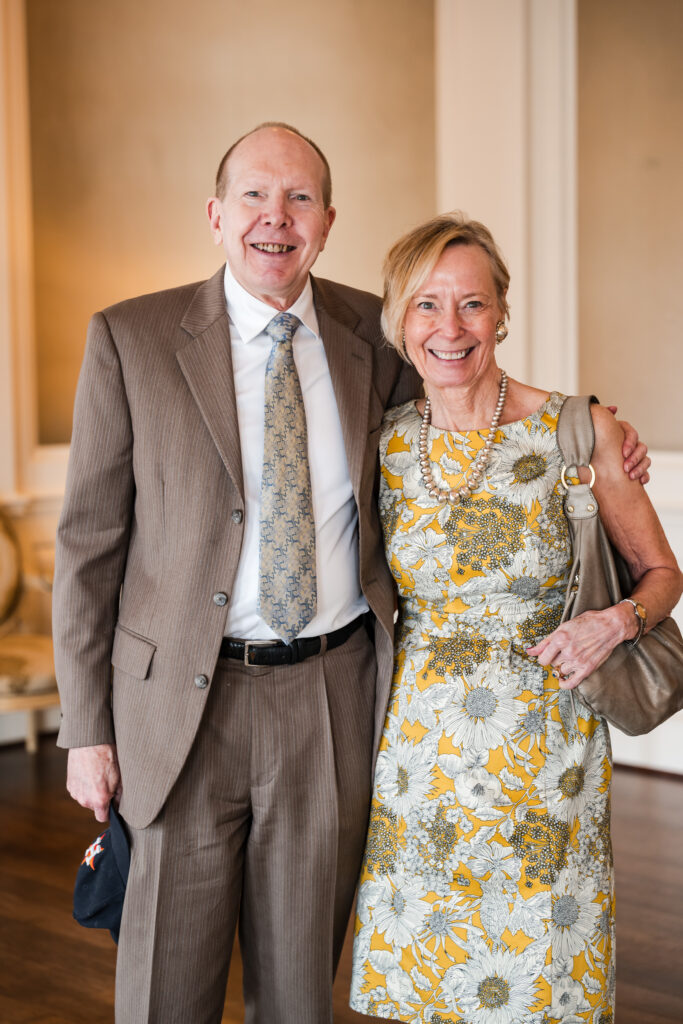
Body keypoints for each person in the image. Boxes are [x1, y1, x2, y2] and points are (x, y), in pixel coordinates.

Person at [52, 124, 648, 1024]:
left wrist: (600, 427)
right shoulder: (130, 339)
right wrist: (86, 729)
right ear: (216, 215)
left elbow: (473, 395)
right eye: (254, 196)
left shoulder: (375, 336)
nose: (275, 219)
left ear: (327, 221)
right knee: (164, 987)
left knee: (299, 989)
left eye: (298, 199)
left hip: (331, 696)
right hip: (176, 705)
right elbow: (87, 547)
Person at [349, 212, 682, 1023]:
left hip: (546, 756)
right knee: (427, 976)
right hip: (415, 758)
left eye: (471, 304)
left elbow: (661, 573)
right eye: (427, 305)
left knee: (538, 979)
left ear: (502, 311)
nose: (450, 328)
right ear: (399, 319)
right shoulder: (380, 442)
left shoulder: (578, 429)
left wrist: (617, 622)